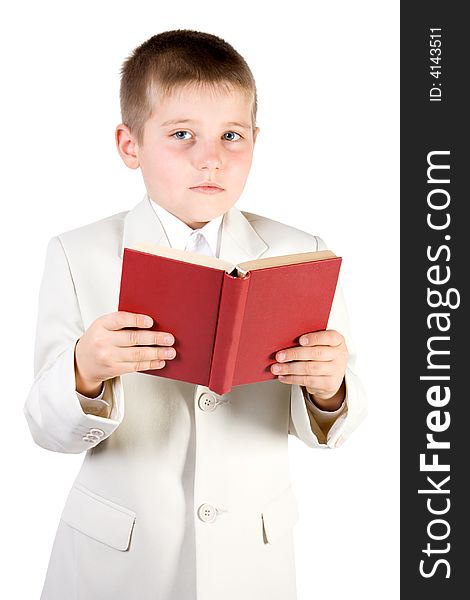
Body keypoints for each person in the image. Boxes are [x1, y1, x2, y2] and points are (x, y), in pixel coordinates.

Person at [24, 29, 367, 600]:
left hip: (249, 560)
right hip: (119, 560)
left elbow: (339, 424)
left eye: (233, 135)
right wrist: (84, 369)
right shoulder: (76, 253)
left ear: (256, 140)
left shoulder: (299, 252)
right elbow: (45, 426)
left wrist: (330, 389)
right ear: (129, 144)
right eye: (182, 134)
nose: (211, 158)